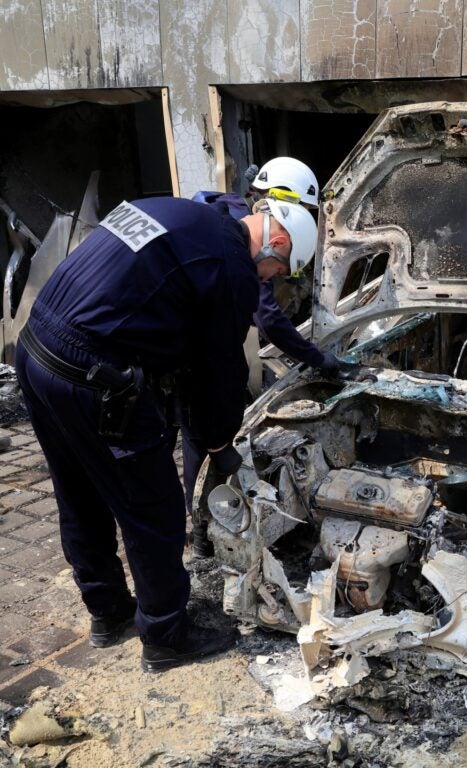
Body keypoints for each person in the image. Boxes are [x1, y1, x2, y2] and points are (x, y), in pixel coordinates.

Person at [14, 195, 317, 672]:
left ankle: (109, 614)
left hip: (36, 351)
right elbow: (219, 371)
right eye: (278, 271)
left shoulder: (182, 212)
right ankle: (166, 634)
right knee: (153, 507)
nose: (272, 281)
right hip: (93, 377)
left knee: (78, 493)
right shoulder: (232, 266)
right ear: (275, 243)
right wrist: (218, 443)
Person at [186, 157, 358, 556]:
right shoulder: (244, 239)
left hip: (183, 341)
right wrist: (318, 360)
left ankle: (198, 524)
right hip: (185, 349)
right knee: (204, 427)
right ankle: (202, 529)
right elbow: (269, 320)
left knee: (202, 420)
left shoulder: (228, 211)